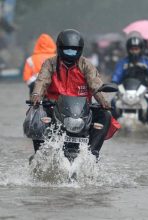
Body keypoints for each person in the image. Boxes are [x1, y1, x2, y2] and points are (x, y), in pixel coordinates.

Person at [31, 29, 112, 159]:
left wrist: (104, 101)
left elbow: (96, 84)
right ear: (59, 48)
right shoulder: (50, 63)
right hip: (54, 107)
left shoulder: (86, 65)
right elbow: (42, 81)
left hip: (82, 110)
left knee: (105, 115)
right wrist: (36, 96)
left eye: (74, 50)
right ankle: (40, 154)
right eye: (67, 50)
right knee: (35, 113)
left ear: (80, 50)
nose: (70, 53)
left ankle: (93, 153)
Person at [111, 35, 148, 123]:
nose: (134, 51)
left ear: (141, 49)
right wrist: (113, 83)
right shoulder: (123, 62)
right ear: (128, 49)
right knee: (113, 103)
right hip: (124, 90)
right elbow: (117, 74)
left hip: (143, 91)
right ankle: (112, 126)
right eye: (132, 49)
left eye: (136, 49)